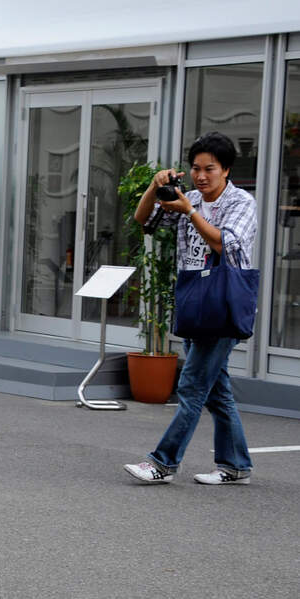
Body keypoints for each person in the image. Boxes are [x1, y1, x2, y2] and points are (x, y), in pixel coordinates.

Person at [125, 132, 256, 485]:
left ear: (226, 169)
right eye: (196, 168)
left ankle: (163, 463)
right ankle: (236, 465)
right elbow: (144, 220)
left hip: (224, 301)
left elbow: (226, 243)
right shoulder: (191, 197)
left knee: (193, 385)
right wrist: (155, 187)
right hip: (195, 299)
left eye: (209, 169)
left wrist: (190, 212)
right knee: (217, 391)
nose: (200, 176)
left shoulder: (241, 203)